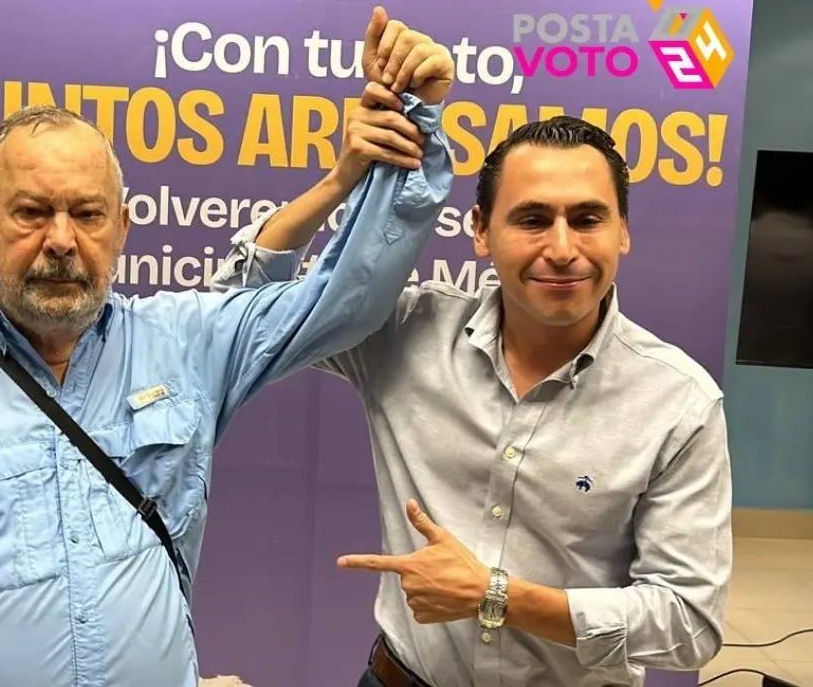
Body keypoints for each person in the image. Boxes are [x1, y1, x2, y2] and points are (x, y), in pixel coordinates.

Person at [0, 10, 456, 687]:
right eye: (31, 211)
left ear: (121, 227)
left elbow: (346, 300)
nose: (61, 240)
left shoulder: (186, 344)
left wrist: (410, 127)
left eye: (87, 214)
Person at [210, 79, 733, 686]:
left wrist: (498, 596)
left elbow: (691, 622)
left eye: (587, 219)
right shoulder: (405, 331)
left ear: (622, 230)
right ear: (481, 231)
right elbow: (239, 310)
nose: (562, 249)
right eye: (532, 219)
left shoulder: (678, 403)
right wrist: (342, 179)